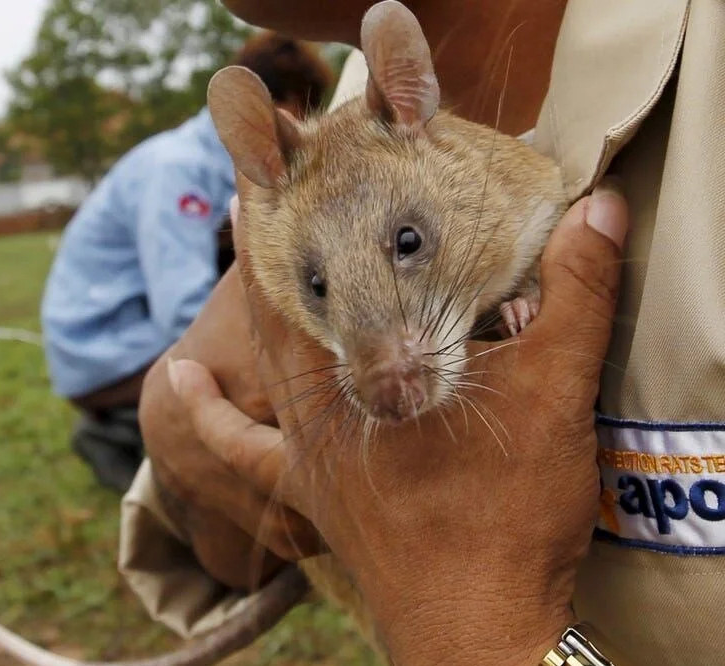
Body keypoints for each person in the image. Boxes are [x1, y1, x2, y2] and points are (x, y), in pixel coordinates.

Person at [123, 1, 724, 665]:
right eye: (320, 288)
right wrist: (176, 416)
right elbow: (224, 536)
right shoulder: (335, 134)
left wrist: (475, 625)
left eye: (409, 243)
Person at [41, 34, 333, 492]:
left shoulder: (223, 165)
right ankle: (121, 435)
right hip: (104, 350)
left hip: (137, 334)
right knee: (270, 379)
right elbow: (181, 310)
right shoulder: (178, 169)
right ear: (283, 108)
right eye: (308, 118)